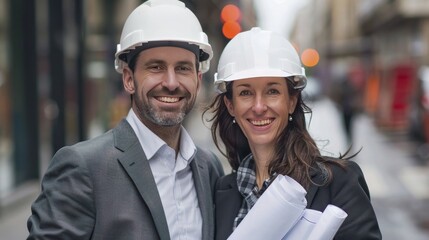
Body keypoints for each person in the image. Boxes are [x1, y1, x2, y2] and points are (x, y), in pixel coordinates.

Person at [27, 0, 224, 239]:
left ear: (197, 78)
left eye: (183, 68)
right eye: (156, 67)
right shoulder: (83, 168)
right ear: (129, 79)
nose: (171, 83)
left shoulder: (208, 168)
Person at [203, 28, 381, 240]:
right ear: (231, 105)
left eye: (272, 91)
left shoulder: (339, 184)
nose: (259, 107)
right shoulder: (222, 192)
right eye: (246, 92)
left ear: (292, 101)